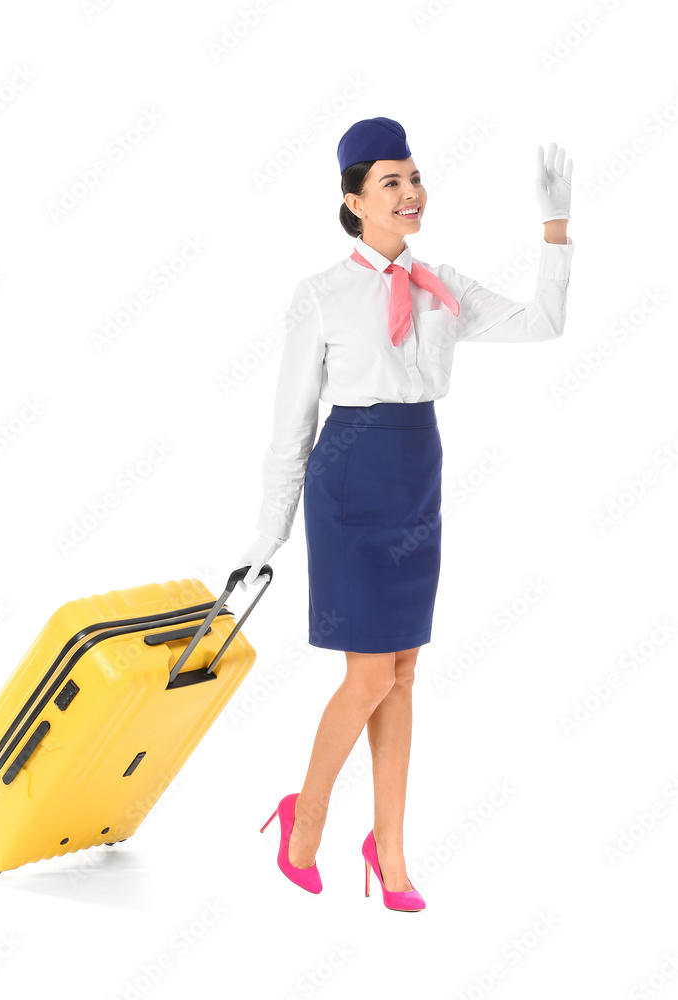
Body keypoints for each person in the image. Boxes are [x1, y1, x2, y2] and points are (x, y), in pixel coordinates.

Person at [236, 117, 574, 912]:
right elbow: (291, 423)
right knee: (369, 674)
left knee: (405, 673)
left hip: (418, 472)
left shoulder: (443, 283)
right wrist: (267, 534)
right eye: (392, 182)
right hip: (350, 481)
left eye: (415, 177)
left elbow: (544, 323)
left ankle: (388, 851)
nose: (412, 192)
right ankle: (304, 819)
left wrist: (555, 230)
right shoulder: (320, 295)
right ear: (354, 202)